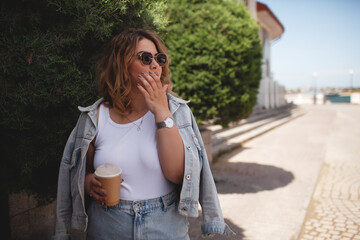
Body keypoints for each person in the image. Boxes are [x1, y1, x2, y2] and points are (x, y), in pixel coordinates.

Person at [53, 28, 234, 240]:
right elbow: (81, 172)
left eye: (160, 58)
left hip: (165, 225)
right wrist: (89, 183)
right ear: (121, 64)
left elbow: (176, 174)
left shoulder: (177, 112)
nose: (155, 65)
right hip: (108, 225)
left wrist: (160, 110)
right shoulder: (94, 118)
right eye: (145, 58)